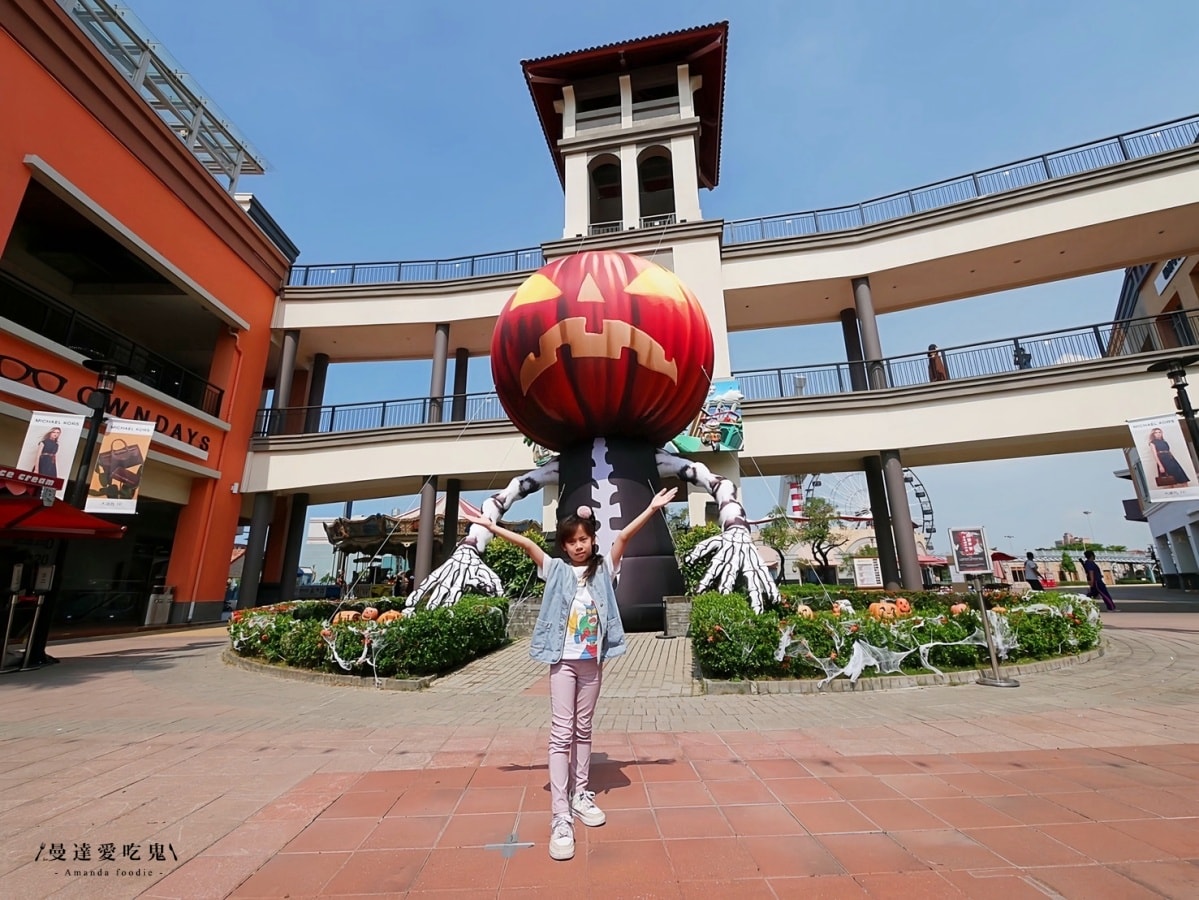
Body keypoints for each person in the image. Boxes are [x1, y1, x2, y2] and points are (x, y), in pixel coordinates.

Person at [465, 486, 676, 861]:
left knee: (584, 729)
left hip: (592, 663)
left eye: (584, 539)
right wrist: (491, 526)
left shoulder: (605, 568)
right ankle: (559, 814)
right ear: (564, 546)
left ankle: (581, 794)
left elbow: (625, 535)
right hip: (561, 662)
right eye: (572, 541)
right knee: (562, 732)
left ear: (593, 540)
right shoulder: (556, 570)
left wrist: (652, 507)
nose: (579, 545)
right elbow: (527, 545)